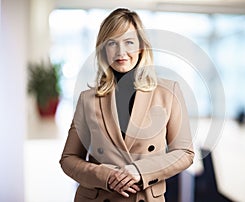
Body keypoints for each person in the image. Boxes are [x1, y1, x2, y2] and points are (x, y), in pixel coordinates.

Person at [59, 8, 194, 202]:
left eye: (129, 42)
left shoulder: (169, 92)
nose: (121, 52)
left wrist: (140, 171)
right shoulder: (87, 99)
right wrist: (105, 176)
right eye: (112, 43)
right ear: (103, 49)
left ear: (141, 47)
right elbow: (69, 159)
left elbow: (185, 153)